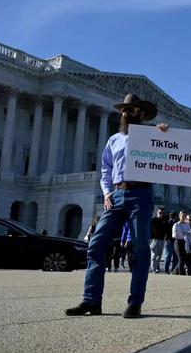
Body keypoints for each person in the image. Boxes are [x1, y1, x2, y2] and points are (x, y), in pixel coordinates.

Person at [65, 93, 164, 319]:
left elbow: (169, 153)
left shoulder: (153, 136)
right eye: (123, 110)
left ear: (140, 112)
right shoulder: (114, 139)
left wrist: (165, 133)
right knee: (96, 243)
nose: (124, 113)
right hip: (117, 195)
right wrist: (107, 192)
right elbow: (106, 170)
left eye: (129, 110)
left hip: (141, 194)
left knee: (139, 249)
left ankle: (135, 303)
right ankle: (91, 300)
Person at [150, 207, 168, 273]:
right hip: (154, 239)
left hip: (161, 239)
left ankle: (155, 267)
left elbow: (166, 230)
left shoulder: (164, 221)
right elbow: (150, 229)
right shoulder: (153, 220)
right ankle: (153, 268)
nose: (161, 214)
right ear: (157, 213)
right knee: (154, 254)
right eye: (160, 213)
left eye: (162, 213)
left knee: (159, 256)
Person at [172, 211, 190, 275]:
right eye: (183, 216)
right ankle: (181, 274)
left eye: (185, 216)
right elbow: (173, 235)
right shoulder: (176, 225)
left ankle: (174, 273)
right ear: (179, 216)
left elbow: (189, 233)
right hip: (178, 242)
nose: (184, 217)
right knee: (181, 258)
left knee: (184, 259)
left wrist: (189, 233)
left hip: (185, 242)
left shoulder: (187, 225)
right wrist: (181, 234)